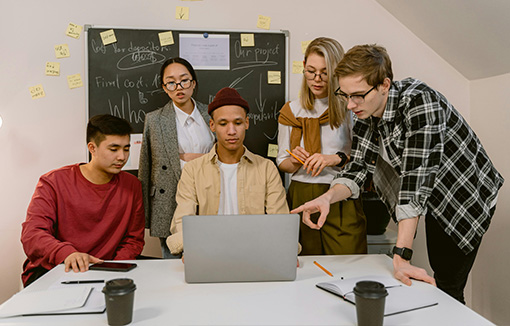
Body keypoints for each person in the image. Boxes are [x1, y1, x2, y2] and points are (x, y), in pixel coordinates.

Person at [293, 44, 504, 303]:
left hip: (464, 194)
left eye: (358, 95)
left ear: (384, 84)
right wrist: (327, 197)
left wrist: (402, 255)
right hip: (430, 191)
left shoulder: (420, 102)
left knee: (448, 283)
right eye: (345, 95)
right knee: (432, 279)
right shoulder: (364, 112)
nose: (350, 105)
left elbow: (415, 183)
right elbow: (357, 169)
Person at [21, 114, 145, 287]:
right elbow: (32, 234)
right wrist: (67, 254)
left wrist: (114, 269)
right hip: (57, 271)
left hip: (107, 273)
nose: (122, 157)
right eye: (114, 149)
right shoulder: (53, 182)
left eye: (126, 149)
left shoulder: (133, 186)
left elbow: (133, 240)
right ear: (92, 148)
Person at [166, 87, 289, 255]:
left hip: (256, 252)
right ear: (212, 125)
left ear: (246, 123)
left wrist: (285, 251)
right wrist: (190, 249)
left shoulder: (266, 168)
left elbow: (280, 220)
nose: (231, 131)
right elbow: (182, 219)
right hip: (207, 251)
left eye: (237, 123)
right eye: (223, 124)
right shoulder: (193, 170)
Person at [277, 37, 367, 255]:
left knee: (348, 268)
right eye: (311, 71)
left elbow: (364, 160)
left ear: (336, 72)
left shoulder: (352, 108)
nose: (316, 79)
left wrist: (334, 158)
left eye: (325, 73)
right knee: (306, 270)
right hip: (300, 195)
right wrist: (294, 161)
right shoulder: (291, 111)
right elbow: (282, 163)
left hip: (339, 195)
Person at [139, 57, 214, 259]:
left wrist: (193, 158)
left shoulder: (212, 114)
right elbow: (145, 167)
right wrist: (145, 215)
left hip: (211, 195)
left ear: (193, 83)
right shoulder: (154, 120)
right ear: (164, 87)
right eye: (171, 82)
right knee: (173, 266)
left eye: (184, 80)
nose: (178, 87)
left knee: (214, 259)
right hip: (169, 199)